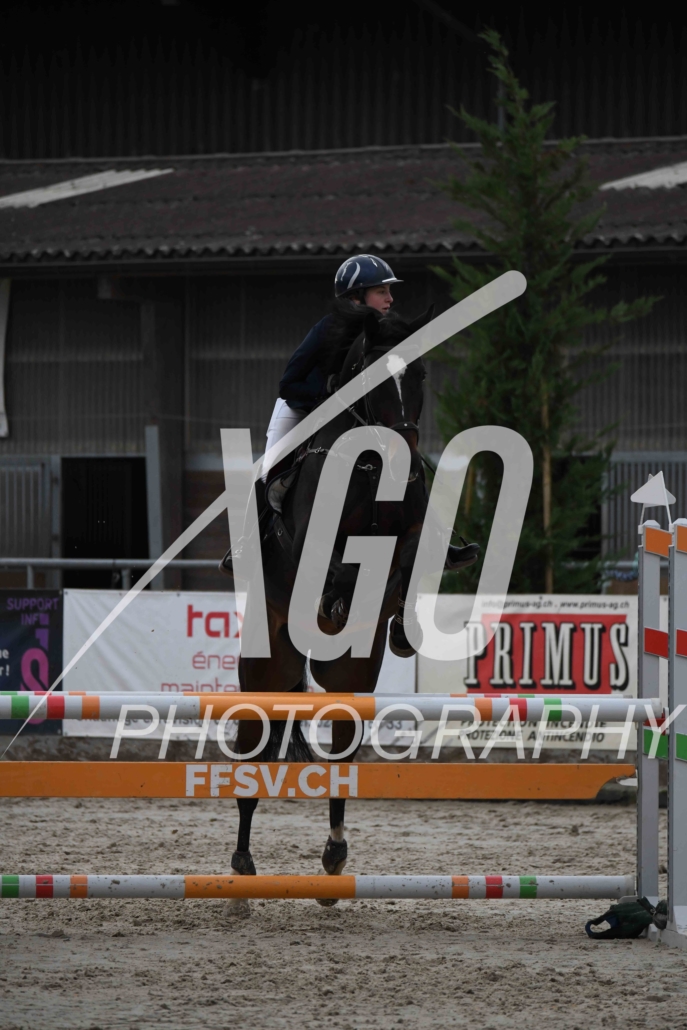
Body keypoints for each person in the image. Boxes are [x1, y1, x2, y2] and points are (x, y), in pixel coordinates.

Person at [220, 253, 478, 574]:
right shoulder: (327, 329)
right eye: (381, 291)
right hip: (302, 407)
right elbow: (289, 383)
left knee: (409, 461)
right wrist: (326, 394)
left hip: (356, 416)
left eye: (389, 291)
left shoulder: (386, 330)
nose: (390, 298)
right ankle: (246, 545)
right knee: (268, 468)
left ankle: (438, 542)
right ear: (356, 297)